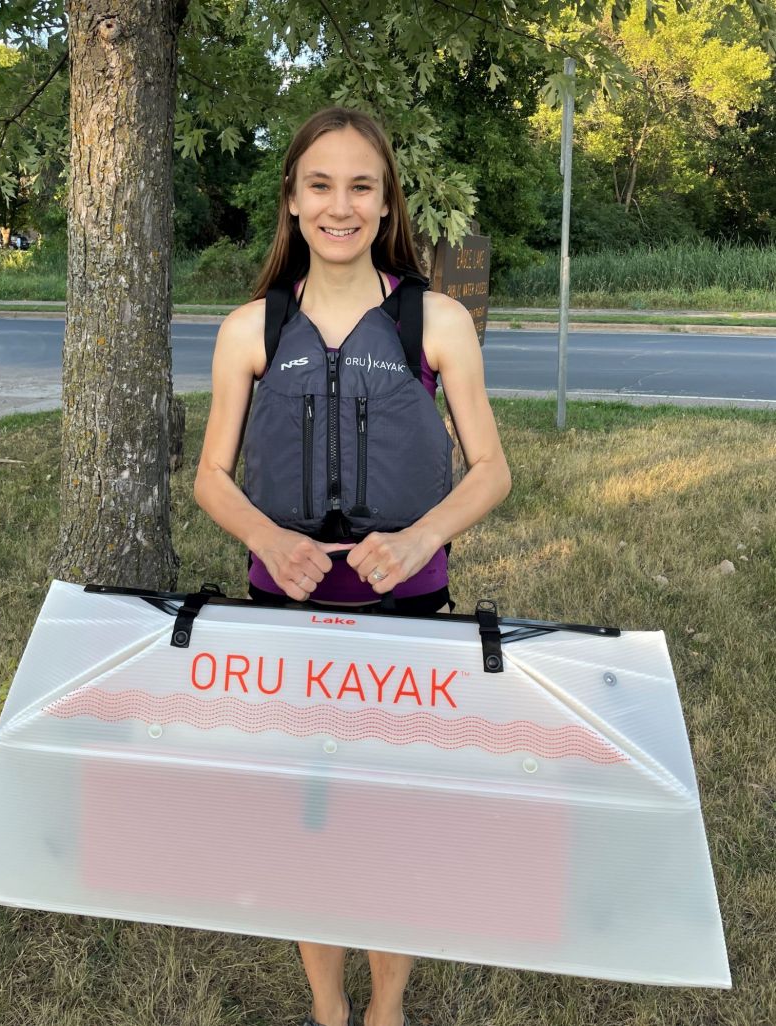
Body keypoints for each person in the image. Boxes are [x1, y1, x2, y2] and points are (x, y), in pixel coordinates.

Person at [194, 107, 511, 1026]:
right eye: (320, 185)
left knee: (393, 814)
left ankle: (387, 1006)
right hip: (284, 621)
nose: (340, 205)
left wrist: (418, 540)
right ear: (292, 201)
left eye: (360, 186)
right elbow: (211, 478)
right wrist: (266, 536)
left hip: (406, 615)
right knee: (312, 818)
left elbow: (491, 468)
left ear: (384, 203)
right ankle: (329, 1010)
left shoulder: (436, 319)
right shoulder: (249, 329)